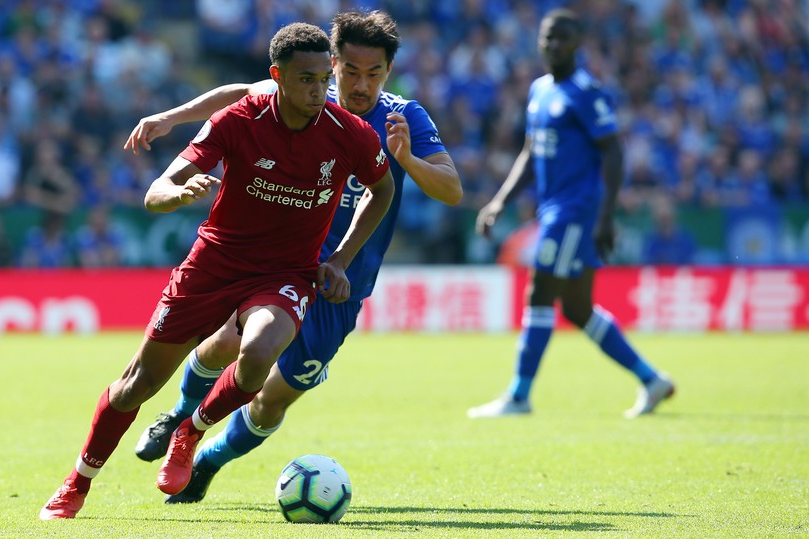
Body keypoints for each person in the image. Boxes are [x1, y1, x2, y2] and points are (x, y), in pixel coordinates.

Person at [40, 22, 395, 520]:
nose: (319, 92)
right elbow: (157, 189)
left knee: (259, 352)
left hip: (286, 274)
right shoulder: (238, 119)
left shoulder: (348, 132)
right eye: (305, 81)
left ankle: (191, 429)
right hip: (214, 263)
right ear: (277, 77)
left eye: (322, 79)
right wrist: (176, 195)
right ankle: (77, 483)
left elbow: (383, 191)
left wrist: (338, 259)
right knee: (137, 385)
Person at [121, 10, 461, 503]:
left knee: (272, 401)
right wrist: (170, 118)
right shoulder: (301, 95)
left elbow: (451, 189)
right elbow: (239, 92)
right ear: (333, 64)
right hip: (278, 268)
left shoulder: (403, 118)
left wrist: (405, 160)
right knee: (224, 348)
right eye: (350, 71)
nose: (361, 85)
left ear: (389, 71)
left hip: (342, 286)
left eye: (375, 73)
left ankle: (207, 463)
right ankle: (178, 420)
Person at [467, 9, 675, 420]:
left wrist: (606, 216)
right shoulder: (540, 91)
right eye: (548, 38)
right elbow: (531, 152)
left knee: (539, 292)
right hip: (555, 211)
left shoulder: (586, 92)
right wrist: (500, 201)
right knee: (578, 309)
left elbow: (613, 150)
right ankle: (652, 380)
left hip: (575, 212)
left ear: (578, 43)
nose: (553, 45)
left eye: (562, 38)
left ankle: (519, 395)